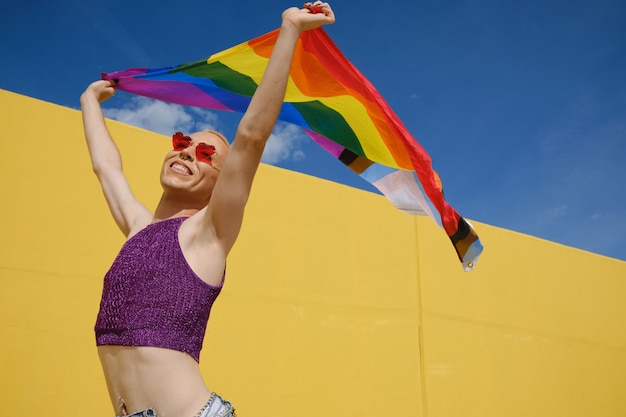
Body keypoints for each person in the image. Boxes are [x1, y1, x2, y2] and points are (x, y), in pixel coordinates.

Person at [80, 3, 335, 417]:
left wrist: (290, 29)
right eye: (181, 142)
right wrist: (90, 100)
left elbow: (251, 136)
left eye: (204, 154)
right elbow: (104, 166)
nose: (185, 153)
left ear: (221, 181)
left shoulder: (209, 231)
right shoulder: (137, 227)